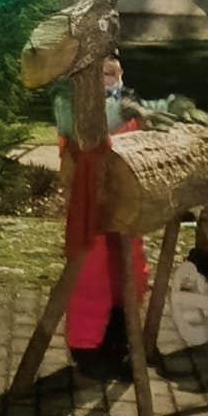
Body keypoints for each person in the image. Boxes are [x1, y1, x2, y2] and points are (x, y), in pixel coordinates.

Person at [56, 54, 148, 380]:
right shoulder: (71, 105)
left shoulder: (129, 102)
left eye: (114, 66)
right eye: (102, 67)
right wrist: (119, 112)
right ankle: (87, 349)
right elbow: (83, 132)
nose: (110, 70)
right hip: (91, 206)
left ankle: (118, 341)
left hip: (125, 203)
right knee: (91, 275)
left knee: (130, 272)